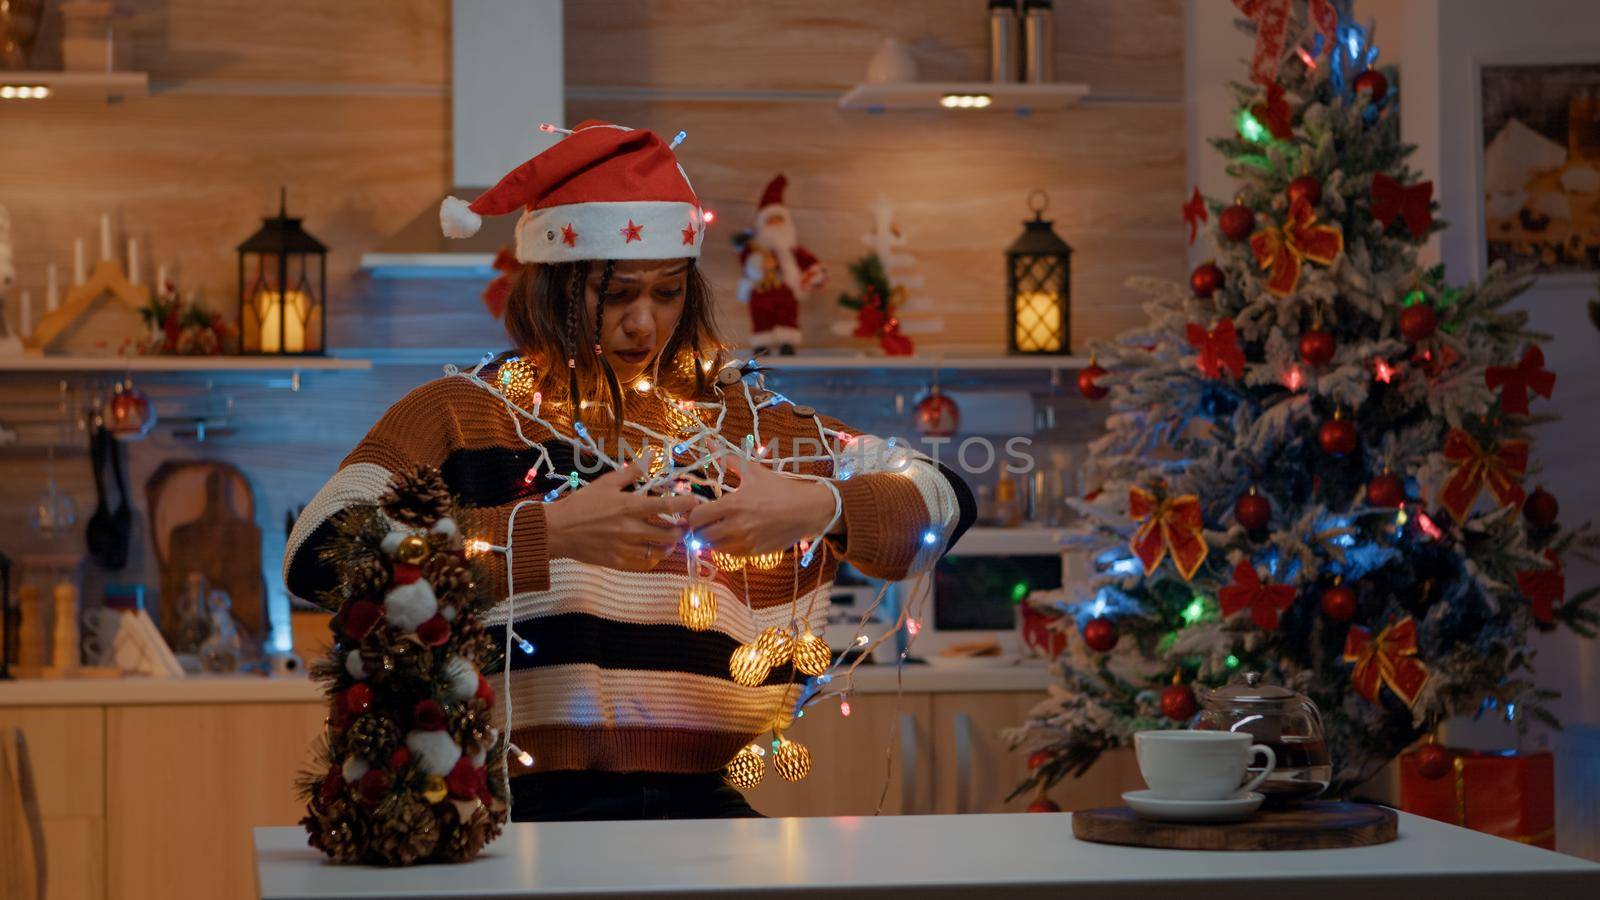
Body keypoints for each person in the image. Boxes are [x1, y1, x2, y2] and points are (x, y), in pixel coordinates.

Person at [285, 121, 975, 821]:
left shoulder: (746, 422)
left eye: (668, 292)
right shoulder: (464, 415)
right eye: (615, 296)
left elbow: (946, 496)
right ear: (550, 288)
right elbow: (318, 554)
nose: (644, 324)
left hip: (706, 805)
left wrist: (816, 508)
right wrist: (544, 532)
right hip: (512, 812)